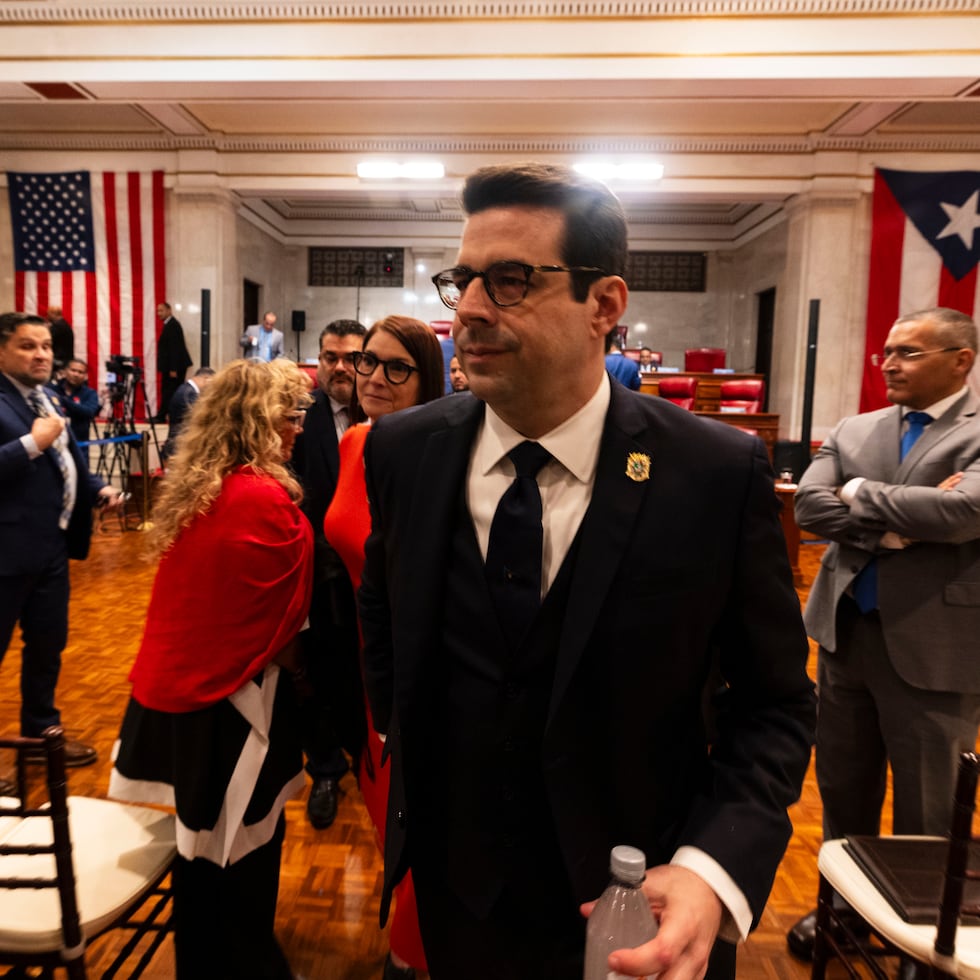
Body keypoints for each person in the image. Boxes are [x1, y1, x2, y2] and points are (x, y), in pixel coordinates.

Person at [358, 163, 816, 980]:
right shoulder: (403, 452)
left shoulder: (712, 473)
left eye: (508, 281)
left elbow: (776, 705)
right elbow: (385, 616)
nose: (465, 309)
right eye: (462, 280)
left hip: (641, 909)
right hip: (456, 896)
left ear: (604, 304)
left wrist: (712, 872)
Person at [787, 306, 980, 980]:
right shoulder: (856, 426)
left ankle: (920, 937)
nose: (890, 364)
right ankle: (843, 909)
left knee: (928, 803)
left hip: (937, 646)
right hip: (845, 639)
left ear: (961, 359)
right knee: (844, 786)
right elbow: (810, 508)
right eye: (888, 353)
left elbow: (966, 515)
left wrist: (861, 492)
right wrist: (903, 523)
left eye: (909, 353)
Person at [109, 358, 314, 979]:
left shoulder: (206, 485)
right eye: (290, 414)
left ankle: (213, 959)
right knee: (237, 858)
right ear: (257, 419)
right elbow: (281, 626)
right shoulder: (259, 498)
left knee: (201, 856)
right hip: (233, 705)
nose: (298, 427)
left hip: (179, 697)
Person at [323, 315, 444, 980]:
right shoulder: (356, 443)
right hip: (361, 661)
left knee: (421, 823)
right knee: (386, 818)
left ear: (426, 378)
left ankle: (415, 958)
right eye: (368, 361)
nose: (373, 376)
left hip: (420, 664)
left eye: (397, 368)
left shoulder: (435, 454)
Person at [0, 312, 122, 769]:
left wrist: (98, 490)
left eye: (46, 346)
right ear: (2, 351)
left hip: (50, 549)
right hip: (5, 554)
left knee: (47, 648)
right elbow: (32, 453)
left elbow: (68, 464)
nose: (42, 355)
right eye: (28, 346)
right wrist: (30, 444)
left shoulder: (46, 399)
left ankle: (39, 740)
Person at [290, 318, 367, 830]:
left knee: (370, 673)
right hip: (316, 574)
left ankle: (370, 762)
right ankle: (324, 768)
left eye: (350, 358)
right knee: (317, 673)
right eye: (329, 357)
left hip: (378, 574)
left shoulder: (391, 408)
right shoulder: (297, 418)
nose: (340, 367)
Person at [160, 366, 215, 463]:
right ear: (206, 378)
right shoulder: (189, 393)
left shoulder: (185, 389)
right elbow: (201, 418)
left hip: (177, 445)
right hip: (179, 447)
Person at [155, 301, 192, 422]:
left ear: (169, 310)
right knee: (167, 391)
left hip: (174, 368)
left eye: (161, 310)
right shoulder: (169, 325)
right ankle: (165, 415)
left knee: (170, 392)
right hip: (171, 366)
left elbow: (175, 348)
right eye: (157, 311)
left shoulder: (173, 325)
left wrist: (173, 368)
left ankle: (166, 416)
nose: (158, 313)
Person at [53, 358, 100, 446]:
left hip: (79, 445)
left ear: (85, 376)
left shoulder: (90, 393)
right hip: (54, 443)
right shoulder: (52, 390)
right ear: (65, 371)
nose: (76, 374)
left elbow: (89, 412)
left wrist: (64, 401)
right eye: (73, 370)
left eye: (80, 372)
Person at [45, 305, 74, 374]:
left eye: (48, 314)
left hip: (59, 361)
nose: (47, 317)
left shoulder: (57, 326)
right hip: (65, 360)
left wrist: (46, 329)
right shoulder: (64, 324)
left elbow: (46, 339)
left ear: (53, 314)